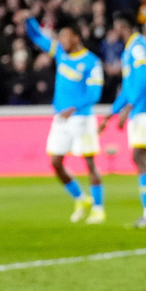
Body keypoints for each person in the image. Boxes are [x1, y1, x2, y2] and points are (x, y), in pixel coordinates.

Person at [22, 13, 106, 223]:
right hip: (61, 119)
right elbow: (36, 37)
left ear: (76, 38)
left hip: (82, 120)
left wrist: (74, 108)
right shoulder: (60, 53)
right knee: (56, 162)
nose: (61, 41)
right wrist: (28, 19)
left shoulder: (91, 62)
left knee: (90, 163)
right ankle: (80, 197)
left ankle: (98, 208)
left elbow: (94, 94)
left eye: (65, 37)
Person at [98, 13, 146, 228]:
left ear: (123, 26)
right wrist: (111, 113)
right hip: (141, 109)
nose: (115, 32)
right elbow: (129, 87)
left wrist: (129, 107)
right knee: (141, 157)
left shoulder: (138, 47)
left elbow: (144, 79)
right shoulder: (132, 48)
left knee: (139, 156)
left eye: (116, 28)